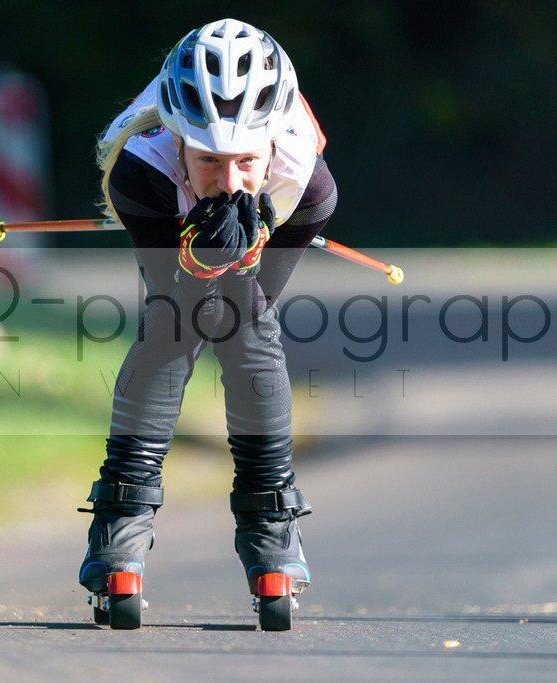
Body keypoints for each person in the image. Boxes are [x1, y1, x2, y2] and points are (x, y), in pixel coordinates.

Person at [78, 18, 337, 629]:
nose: (229, 181)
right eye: (209, 162)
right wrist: (199, 262)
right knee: (171, 327)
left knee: (249, 330)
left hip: (281, 220)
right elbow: (183, 310)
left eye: (246, 162)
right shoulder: (139, 172)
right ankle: (121, 520)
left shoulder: (308, 187)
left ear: (272, 147)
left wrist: (240, 259)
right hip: (160, 208)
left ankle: (271, 525)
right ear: (177, 146)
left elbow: (242, 314)